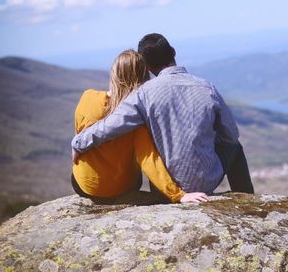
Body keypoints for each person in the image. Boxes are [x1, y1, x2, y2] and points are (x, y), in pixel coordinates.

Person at [72, 34, 254, 196]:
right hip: (207, 181)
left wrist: (79, 143)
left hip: (165, 185)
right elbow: (230, 135)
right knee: (235, 148)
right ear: (173, 52)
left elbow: (109, 126)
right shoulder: (207, 87)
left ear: (147, 65)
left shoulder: (143, 95)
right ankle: (247, 201)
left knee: (155, 140)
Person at [72, 49, 209, 203]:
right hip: (121, 187)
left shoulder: (87, 98)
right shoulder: (136, 119)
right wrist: (178, 195)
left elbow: (80, 132)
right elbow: (149, 159)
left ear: (114, 74)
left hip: (87, 186)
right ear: (143, 78)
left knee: (77, 174)